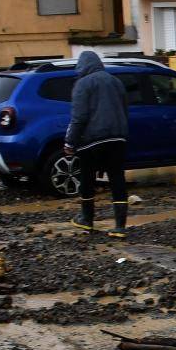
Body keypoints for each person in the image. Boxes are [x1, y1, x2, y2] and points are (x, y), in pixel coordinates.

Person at [64, 50, 130, 238]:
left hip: (91, 140)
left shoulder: (82, 84)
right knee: (117, 179)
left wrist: (70, 141)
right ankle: (120, 226)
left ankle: (87, 219)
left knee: (87, 178)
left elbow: (79, 117)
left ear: (82, 65)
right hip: (117, 138)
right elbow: (125, 110)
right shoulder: (116, 82)